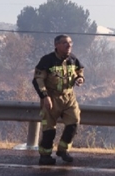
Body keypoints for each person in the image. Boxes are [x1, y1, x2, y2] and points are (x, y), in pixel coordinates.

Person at [32, 34, 84, 165]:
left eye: (70, 42)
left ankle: (63, 150)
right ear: (56, 45)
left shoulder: (73, 59)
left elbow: (79, 70)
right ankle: (45, 155)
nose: (69, 45)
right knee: (49, 129)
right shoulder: (47, 60)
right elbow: (38, 80)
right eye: (65, 43)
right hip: (51, 97)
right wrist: (45, 97)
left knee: (74, 122)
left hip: (69, 97)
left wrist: (80, 78)